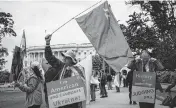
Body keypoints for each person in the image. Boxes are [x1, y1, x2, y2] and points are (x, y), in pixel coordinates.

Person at [44, 34, 85, 108]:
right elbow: (50, 58)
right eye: (64, 57)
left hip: (73, 102)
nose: (63, 59)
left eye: (66, 57)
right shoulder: (61, 66)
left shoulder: (78, 69)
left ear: (71, 59)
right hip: (62, 102)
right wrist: (47, 43)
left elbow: (82, 86)